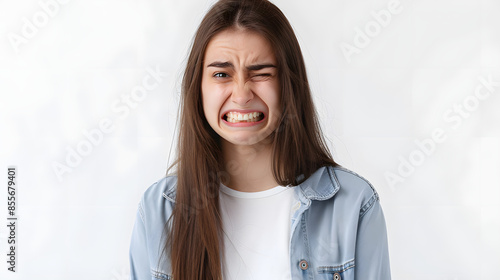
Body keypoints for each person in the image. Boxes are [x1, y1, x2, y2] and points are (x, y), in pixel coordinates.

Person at [129, 0, 391, 279]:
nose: (241, 95)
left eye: (262, 73)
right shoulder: (159, 209)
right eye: (221, 74)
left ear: (288, 85)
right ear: (198, 89)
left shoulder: (353, 204)